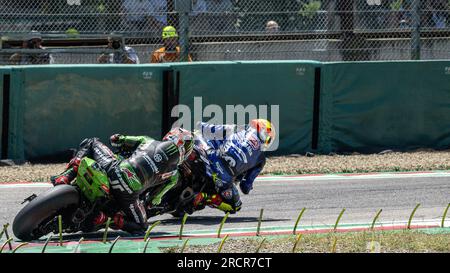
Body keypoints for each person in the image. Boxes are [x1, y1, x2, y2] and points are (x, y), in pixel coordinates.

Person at [50, 128, 194, 234]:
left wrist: (118, 139)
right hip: (129, 194)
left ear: (170, 136)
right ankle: (106, 218)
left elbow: (118, 139)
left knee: (91, 142)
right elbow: (155, 199)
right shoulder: (174, 175)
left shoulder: (148, 140)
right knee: (142, 226)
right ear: (185, 153)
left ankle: (66, 176)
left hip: (114, 169)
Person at [188, 119, 276, 214]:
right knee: (235, 206)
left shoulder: (238, 128)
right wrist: (246, 183)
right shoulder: (261, 158)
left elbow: (211, 129)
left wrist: (200, 125)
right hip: (224, 177)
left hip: (210, 155)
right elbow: (245, 187)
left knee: (195, 134)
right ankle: (205, 197)